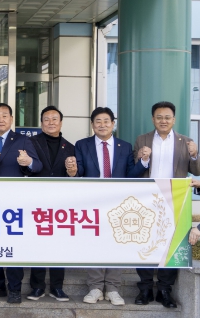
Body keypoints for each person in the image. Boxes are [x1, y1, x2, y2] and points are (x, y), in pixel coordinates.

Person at [73, 106, 146, 306]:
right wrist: (72, 170)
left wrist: (143, 162)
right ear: (92, 124)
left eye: (106, 121)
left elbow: (131, 174)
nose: (102, 125)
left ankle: (113, 288)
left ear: (113, 124)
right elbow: (79, 171)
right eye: (98, 121)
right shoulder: (82, 145)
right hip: (92, 202)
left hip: (118, 202)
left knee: (117, 243)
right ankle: (95, 287)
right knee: (94, 242)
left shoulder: (125, 146)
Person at [133, 101, 200, 309]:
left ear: (174, 119)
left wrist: (195, 155)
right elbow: (135, 169)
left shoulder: (186, 141)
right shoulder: (142, 139)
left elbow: (197, 171)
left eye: (167, 117)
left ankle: (164, 290)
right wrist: (143, 159)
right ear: (153, 119)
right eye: (159, 117)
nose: (163, 121)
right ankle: (145, 288)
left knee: (171, 244)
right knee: (144, 241)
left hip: (174, 200)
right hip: (146, 199)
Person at [0, 103, 42, 304]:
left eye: (5, 115)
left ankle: (14, 288)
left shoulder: (22, 140)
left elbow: (38, 165)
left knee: (13, 245)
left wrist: (28, 162)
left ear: (12, 119)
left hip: (14, 202)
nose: (1, 119)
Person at [27, 106, 77, 302]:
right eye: (46, 119)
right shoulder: (31, 143)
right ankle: (37, 287)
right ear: (41, 123)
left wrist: (72, 172)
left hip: (60, 203)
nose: (50, 122)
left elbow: (74, 176)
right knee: (38, 243)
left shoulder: (70, 147)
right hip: (37, 200)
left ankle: (57, 287)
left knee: (59, 245)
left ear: (61, 122)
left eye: (54, 119)